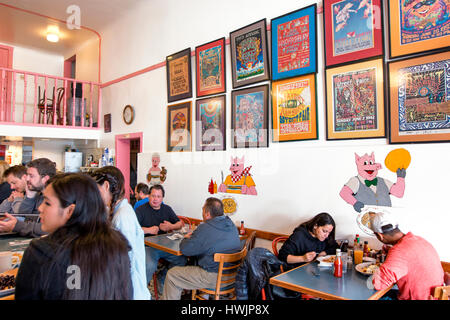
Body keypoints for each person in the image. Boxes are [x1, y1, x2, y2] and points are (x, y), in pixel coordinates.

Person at [15, 173, 132, 300]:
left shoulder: (40, 253)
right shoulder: (118, 246)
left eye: (47, 203)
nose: (40, 208)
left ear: (70, 211)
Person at [162, 197, 241, 300]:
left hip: (214, 278)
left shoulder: (206, 227)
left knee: (172, 275)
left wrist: (186, 238)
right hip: (232, 277)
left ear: (207, 213)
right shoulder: (231, 225)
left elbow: (185, 249)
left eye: (203, 209)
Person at [90, 166, 150, 300]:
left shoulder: (123, 216)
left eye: (96, 189)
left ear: (106, 186)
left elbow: (126, 261)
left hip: (131, 290)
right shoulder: (117, 211)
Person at [369, 211, 444, 300]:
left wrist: (378, 268)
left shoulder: (399, 251)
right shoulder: (419, 240)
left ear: (380, 236)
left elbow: (379, 284)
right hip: (433, 296)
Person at [135, 184, 186, 290]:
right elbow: (132, 229)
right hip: (147, 247)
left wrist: (171, 226)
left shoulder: (167, 209)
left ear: (162, 198)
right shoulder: (140, 210)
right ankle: (141, 291)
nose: (155, 199)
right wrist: (148, 230)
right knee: (149, 265)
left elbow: (180, 223)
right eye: (153, 196)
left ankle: (162, 277)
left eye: (158, 196)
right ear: (149, 196)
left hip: (166, 246)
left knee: (182, 260)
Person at [0, 158, 56, 237]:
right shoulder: (36, 195)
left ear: (45, 179)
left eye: (31, 176)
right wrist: (29, 197)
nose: (27, 179)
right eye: (27, 175)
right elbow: (24, 216)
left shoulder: (56, 198)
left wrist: (17, 225)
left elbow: (47, 228)